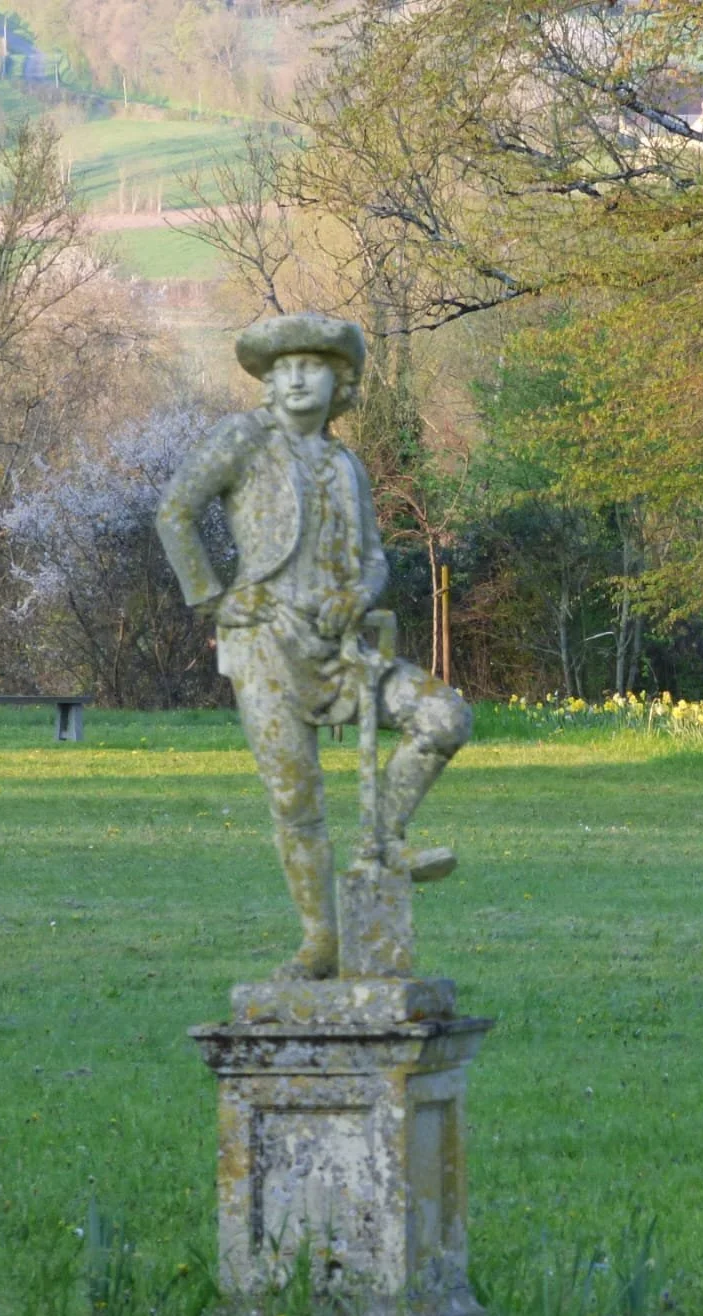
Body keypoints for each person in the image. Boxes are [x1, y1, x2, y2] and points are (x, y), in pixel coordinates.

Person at [157, 314, 470, 980]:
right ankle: (318, 941)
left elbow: (375, 557)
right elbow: (176, 510)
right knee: (296, 800)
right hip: (265, 645)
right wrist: (215, 597)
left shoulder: (344, 464)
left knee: (444, 717)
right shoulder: (242, 440)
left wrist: (360, 593)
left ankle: (383, 840)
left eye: (314, 367)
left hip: (345, 649)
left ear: (341, 384)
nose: (298, 379)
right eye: (285, 369)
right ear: (268, 385)